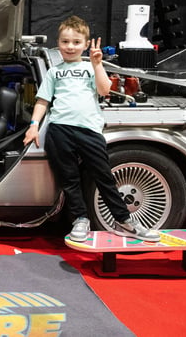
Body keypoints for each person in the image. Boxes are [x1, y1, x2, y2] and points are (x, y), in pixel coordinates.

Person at [22, 15, 159, 243]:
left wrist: (97, 64)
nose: (70, 46)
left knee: (104, 176)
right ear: (59, 43)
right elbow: (42, 101)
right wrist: (34, 126)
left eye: (76, 42)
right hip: (59, 130)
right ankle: (80, 220)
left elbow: (105, 90)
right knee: (69, 178)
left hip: (89, 130)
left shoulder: (90, 67)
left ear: (86, 45)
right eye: (65, 42)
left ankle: (124, 221)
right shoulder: (54, 72)